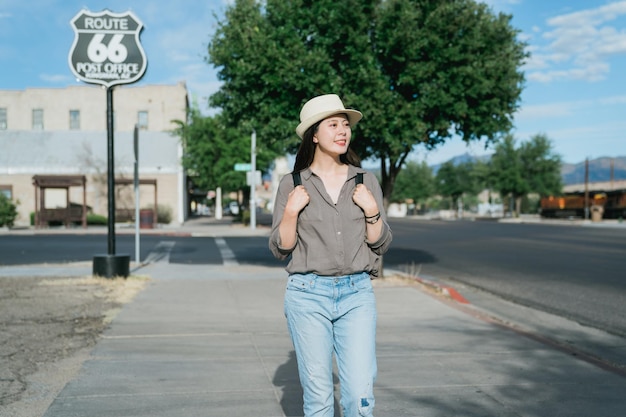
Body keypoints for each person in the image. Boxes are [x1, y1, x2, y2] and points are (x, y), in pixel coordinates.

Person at [269, 94, 392, 417]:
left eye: (345, 125)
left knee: (359, 397)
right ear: (314, 134)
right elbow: (281, 248)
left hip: (357, 295)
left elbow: (380, 244)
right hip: (308, 295)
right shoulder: (292, 184)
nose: (343, 131)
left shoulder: (365, 181)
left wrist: (372, 210)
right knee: (319, 399)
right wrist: (291, 212)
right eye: (333, 124)